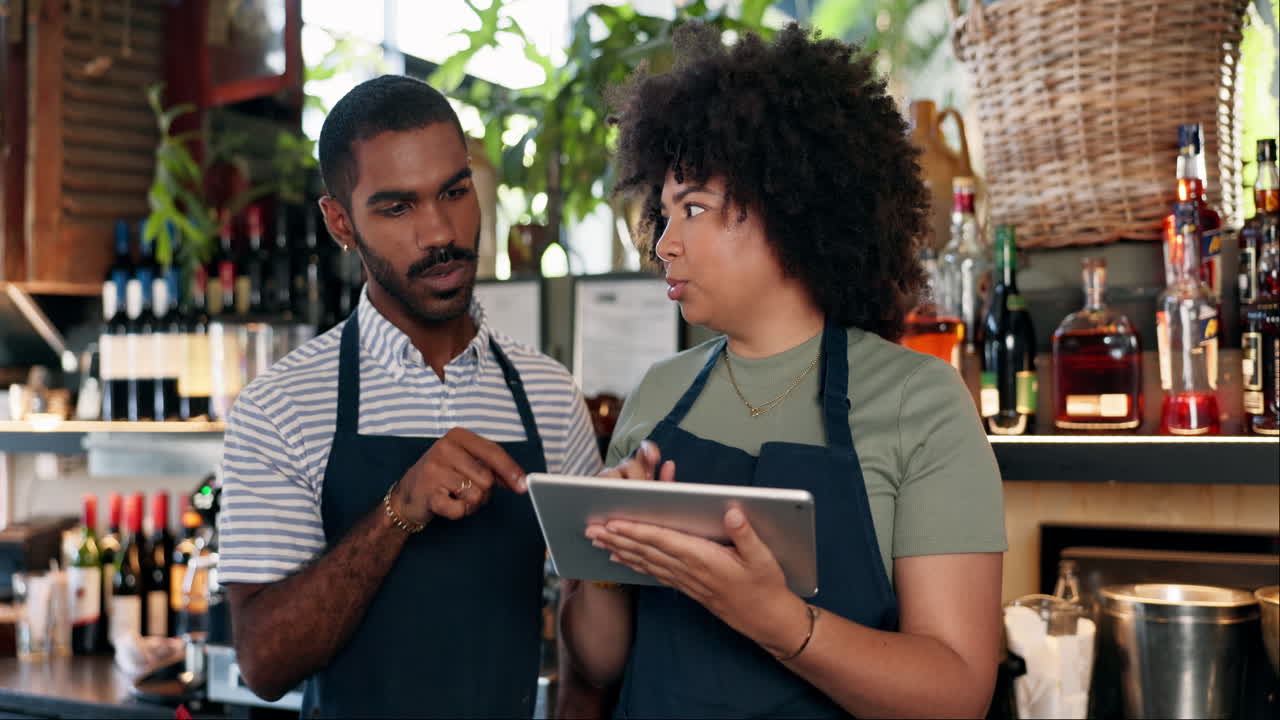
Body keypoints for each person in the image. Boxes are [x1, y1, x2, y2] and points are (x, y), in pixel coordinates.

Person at [559, 23, 1007, 718]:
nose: (665, 244)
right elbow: (597, 663)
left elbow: (955, 692)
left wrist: (777, 622)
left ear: (786, 204)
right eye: (664, 213)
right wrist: (608, 565)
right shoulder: (659, 393)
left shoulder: (920, 401)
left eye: (694, 210)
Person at [218, 75, 603, 718]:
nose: (439, 232)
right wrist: (399, 509)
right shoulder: (280, 408)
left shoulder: (547, 395)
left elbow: (588, 628)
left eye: (454, 192)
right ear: (340, 221)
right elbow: (263, 662)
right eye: (397, 207)